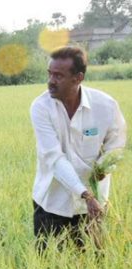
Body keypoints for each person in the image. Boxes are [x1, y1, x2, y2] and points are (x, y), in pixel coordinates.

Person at [31, 46, 127, 251]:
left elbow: (117, 144)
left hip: (93, 206)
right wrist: (86, 195)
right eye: (49, 74)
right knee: (48, 266)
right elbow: (54, 159)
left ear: (78, 78)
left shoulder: (106, 106)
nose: (51, 81)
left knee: (94, 263)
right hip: (52, 202)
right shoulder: (41, 107)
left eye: (59, 75)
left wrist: (102, 168)